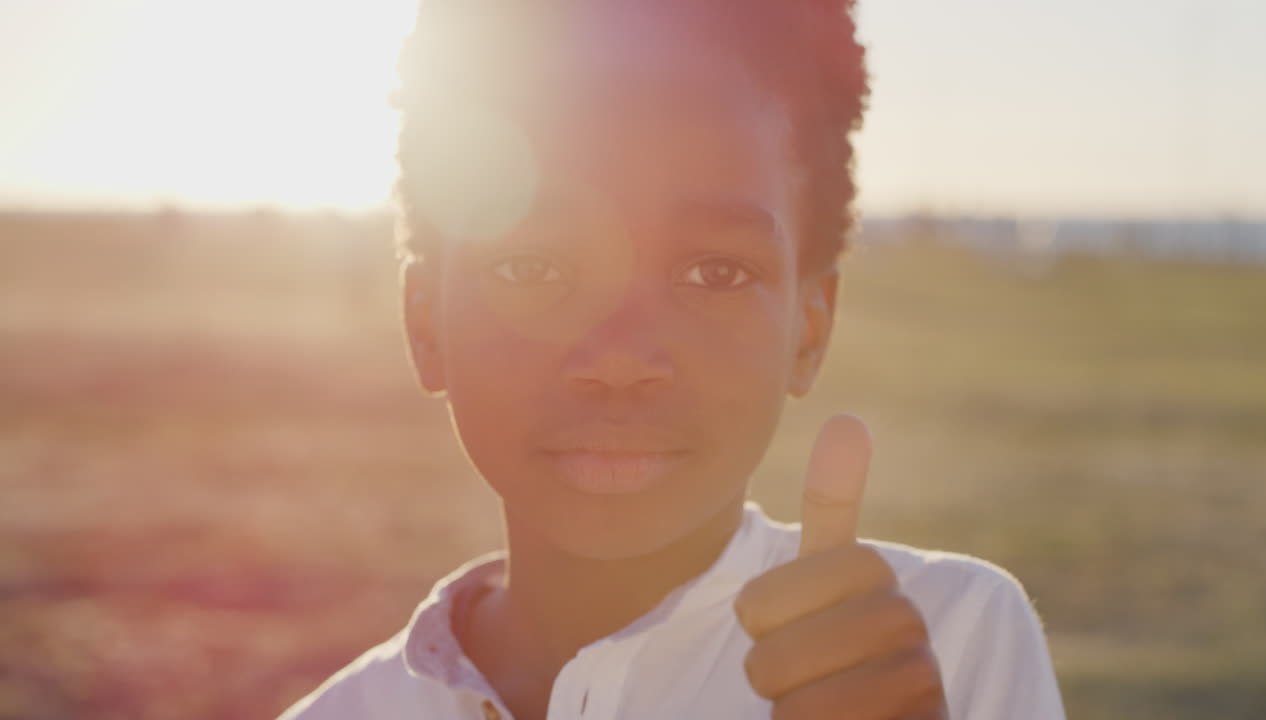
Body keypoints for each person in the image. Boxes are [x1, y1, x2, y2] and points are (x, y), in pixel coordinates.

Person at [280, 1, 1066, 718]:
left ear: (810, 328)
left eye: (714, 273)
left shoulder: (947, 643)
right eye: (531, 268)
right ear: (426, 324)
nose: (620, 358)